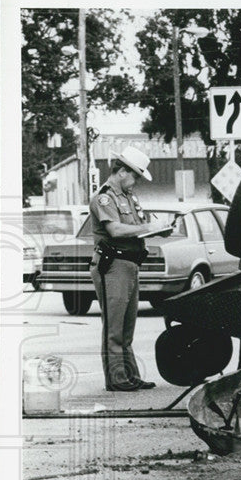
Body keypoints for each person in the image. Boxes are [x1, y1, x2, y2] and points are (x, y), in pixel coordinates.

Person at [89, 146, 169, 391]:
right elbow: (115, 230)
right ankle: (117, 379)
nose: (135, 182)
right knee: (114, 326)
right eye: (134, 176)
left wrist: (157, 228)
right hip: (112, 265)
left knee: (127, 326)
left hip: (130, 264)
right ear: (122, 171)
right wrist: (146, 229)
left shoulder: (127, 197)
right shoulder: (105, 197)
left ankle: (129, 375)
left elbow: (140, 224)